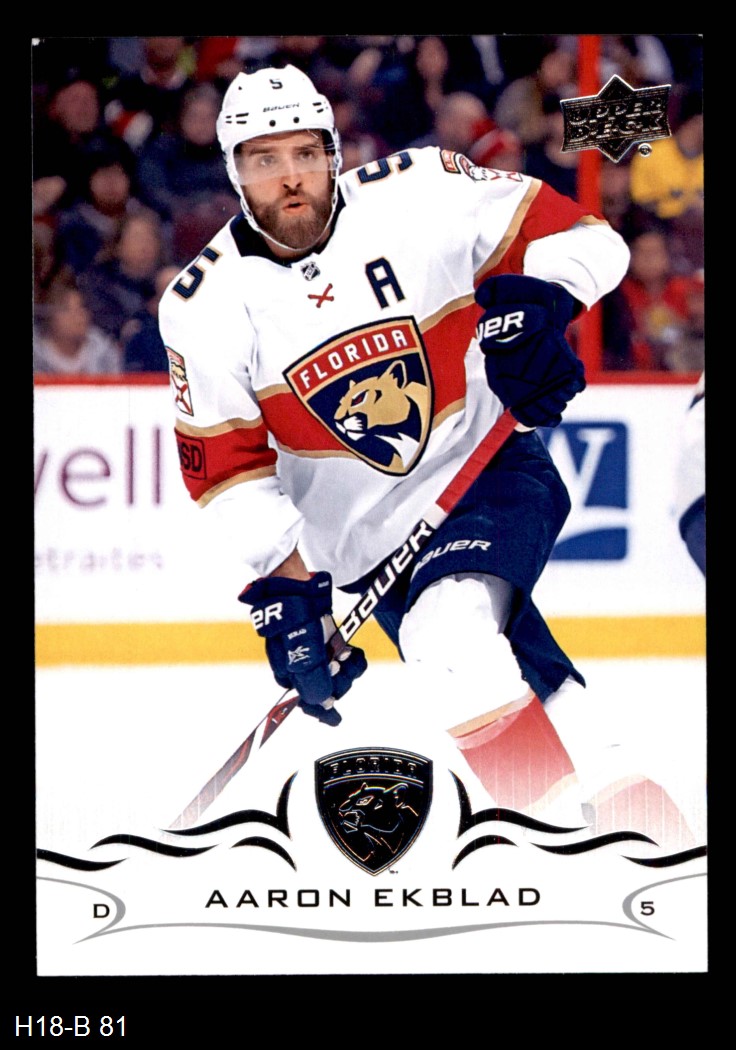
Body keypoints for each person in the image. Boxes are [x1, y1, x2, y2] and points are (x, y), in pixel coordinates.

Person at [159, 66, 690, 844]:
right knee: (489, 666)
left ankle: (554, 841)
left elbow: (586, 237)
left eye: (305, 153)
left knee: (449, 634)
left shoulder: (423, 190)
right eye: (265, 160)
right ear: (235, 172)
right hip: (365, 548)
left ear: (334, 151)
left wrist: (543, 305)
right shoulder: (201, 307)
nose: (291, 178)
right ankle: (637, 817)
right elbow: (232, 472)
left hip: (483, 467)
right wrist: (294, 595)